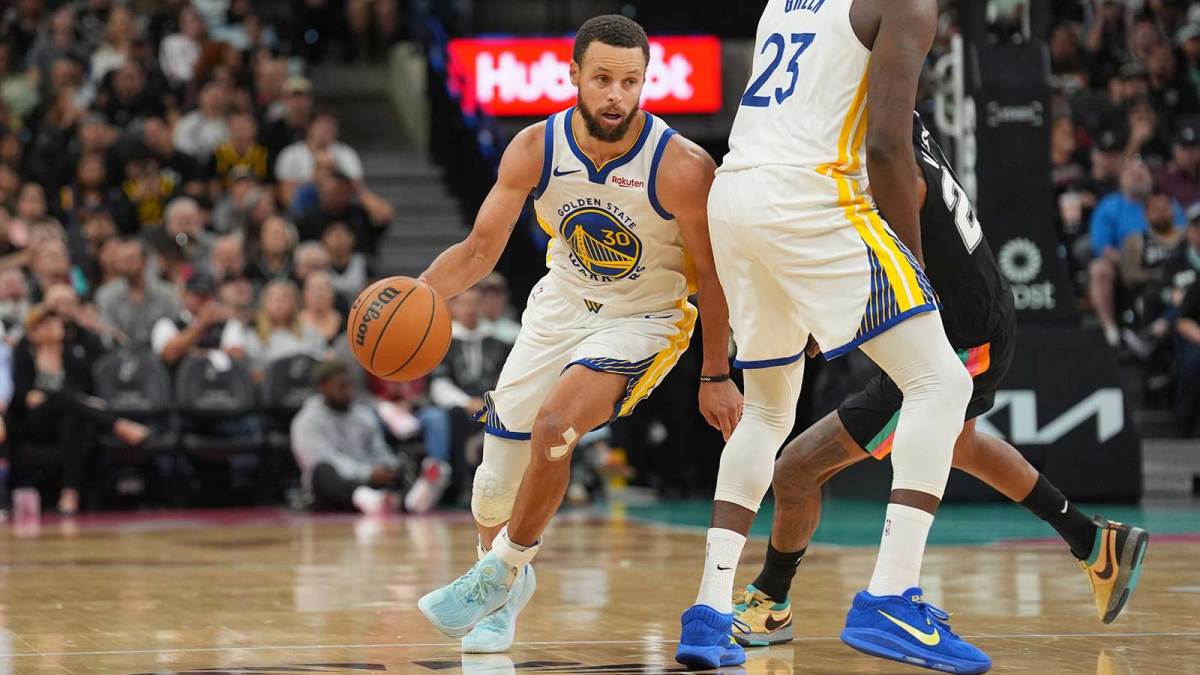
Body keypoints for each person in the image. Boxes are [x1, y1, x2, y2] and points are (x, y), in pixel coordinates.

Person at [732, 114, 1149, 652]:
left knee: (794, 470)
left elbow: (904, 201)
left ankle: (773, 603)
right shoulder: (893, 114)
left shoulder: (872, 143)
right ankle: (1093, 541)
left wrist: (827, 309)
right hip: (978, 313)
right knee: (961, 446)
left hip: (956, 335)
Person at [415, 14, 741, 655]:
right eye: (602, 79)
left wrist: (716, 371)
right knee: (491, 488)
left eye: (629, 81)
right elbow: (480, 250)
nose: (616, 95)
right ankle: (504, 589)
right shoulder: (535, 148)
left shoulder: (681, 167)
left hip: (644, 318)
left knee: (555, 427)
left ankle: (501, 572)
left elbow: (712, 276)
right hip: (560, 305)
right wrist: (416, 295)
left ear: (645, 82)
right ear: (574, 77)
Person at [678, 1, 982, 671]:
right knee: (941, 379)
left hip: (737, 195)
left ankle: (709, 610)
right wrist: (913, 270)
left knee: (765, 411)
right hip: (812, 196)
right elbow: (884, 144)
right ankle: (892, 594)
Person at [8, 306, 148, 515]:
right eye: (46, 324)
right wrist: (42, 398)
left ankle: (70, 493)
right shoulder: (24, 353)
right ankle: (117, 424)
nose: (54, 327)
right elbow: (23, 396)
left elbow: (86, 390)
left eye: (56, 323)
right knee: (61, 397)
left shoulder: (74, 355)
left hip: (66, 423)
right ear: (34, 331)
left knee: (71, 415)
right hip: (33, 423)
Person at [291, 359, 447, 514]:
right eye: (341, 386)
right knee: (322, 472)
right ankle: (371, 500)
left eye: (349, 385)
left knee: (400, 465)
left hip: (372, 480)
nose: (347, 391)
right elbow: (321, 460)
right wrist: (368, 474)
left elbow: (378, 450)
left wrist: (389, 467)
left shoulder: (363, 414)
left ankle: (411, 500)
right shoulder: (306, 421)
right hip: (336, 487)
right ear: (323, 388)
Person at [1089, 157, 1185, 346]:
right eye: (1131, 173)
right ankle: (1110, 330)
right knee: (1099, 268)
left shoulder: (1166, 204)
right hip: (1125, 266)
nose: (1137, 176)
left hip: (1165, 264)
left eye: (1141, 172)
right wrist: (1134, 260)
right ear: (1121, 179)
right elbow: (1102, 247)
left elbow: (1183, 237)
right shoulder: (1109, 207)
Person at [95, 238, 180, 345]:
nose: (126, 264)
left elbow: (176, 326)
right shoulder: (106, 295)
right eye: (121, 260)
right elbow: (108, 334)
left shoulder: (166, 293)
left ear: (144, 260)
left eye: (130, 259)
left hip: (162, 350)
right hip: (124, 354)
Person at [151, 272, 246, 367]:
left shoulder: (228, 324)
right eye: (198, 295)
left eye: (208, 295)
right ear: (185, 295)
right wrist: (201, 324)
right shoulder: (167, 324)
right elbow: (169, 355)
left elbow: (237, 356)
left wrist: (193, 353)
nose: (204, 300)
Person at [478, 273, 520, 346]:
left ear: (505, 297)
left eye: (497, 295)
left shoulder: (517, 332)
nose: (491, 301)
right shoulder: (466, 330)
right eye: (486, 295)